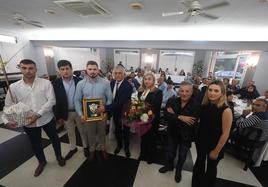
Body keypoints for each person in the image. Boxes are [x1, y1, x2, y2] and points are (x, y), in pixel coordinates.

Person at [2, 59, 65, 177]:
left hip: (46, 118)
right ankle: (41, 161)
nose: (28, 71)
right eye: (24, 68)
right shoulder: (13, 87)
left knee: (55, 139)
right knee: (35, 143)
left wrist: (37, 114)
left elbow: (52, 100)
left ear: (36, 69)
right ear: (20, 69)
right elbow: (8, 106)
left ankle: (59, 156)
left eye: (30, 68)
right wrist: (6, 120)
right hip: (28, 121)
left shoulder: (46, 83)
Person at [192, 80, 233, 187]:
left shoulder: (226, 110)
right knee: (199, 163)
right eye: (210, 90)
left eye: (216, 90)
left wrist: (216, 151)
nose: (212, 93)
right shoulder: (205, 105)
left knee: (211, 168)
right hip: (202, 141)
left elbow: (225, 134)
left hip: (215, 144)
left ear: (222, 93)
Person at [159, 81, 199, 183]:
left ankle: (178, 170)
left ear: (191, 92)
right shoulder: (172, 101)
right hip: (172, 133)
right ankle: (169, 166)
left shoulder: (196, 105)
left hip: (186, 136)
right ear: (178, 91)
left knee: (182, 155)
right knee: (170, 152)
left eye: (187, 91)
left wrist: (174, 115)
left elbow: (191, 122)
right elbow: (166, 116)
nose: (184, 93)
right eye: (182, 91)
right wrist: (180, 117)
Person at [74, 61, 112, 161]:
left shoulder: (106, 82)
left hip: (102, 114)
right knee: (90, 133)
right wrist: (81, 114)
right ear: (86, 70)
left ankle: (103, 148)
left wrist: (106, 112)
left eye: (94, 69)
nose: (92, 72)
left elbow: (109, 99)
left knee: (102, 133)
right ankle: (92, 150)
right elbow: (77, 100)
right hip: (88, 115)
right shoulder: (80, 84)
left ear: (98, 70)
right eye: (90, 69)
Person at [52, 60, 88, 159]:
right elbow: (55, 101)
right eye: (62, 69)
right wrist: (58, 116)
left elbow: (85, 97)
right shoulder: (55, 83)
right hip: (65, 112)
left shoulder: (80, 81)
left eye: (67, 68)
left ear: (71, 69)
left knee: (82, 130)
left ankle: (85, 146)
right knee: (70, 132)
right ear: (59, 71)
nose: (65, 71)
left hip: (79, 111)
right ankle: (73, 148)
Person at [100, 65, 133, 157]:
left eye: (120, 73)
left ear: (124, 74)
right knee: (118, 130)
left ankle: (126, 148)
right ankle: (119, 145)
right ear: (113, 74)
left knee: (126, 131)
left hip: (125, 113)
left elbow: (120, 102)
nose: (117, 75)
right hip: (115, 112)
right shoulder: (111, 82)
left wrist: (106, 108)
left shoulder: (128, 86)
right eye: (116, 73)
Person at [138, 72, 162, 164]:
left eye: (149, 79)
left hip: (152, 120)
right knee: (143, 137)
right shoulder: (141, 91)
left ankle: (151, 156)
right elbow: (138, 105)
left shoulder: (158, 92)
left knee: (151, 139)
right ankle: (143, 154)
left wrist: (146, 116)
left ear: (153, 80)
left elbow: (156, 108)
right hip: (142, 119)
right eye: (145, 79)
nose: (147, 81)